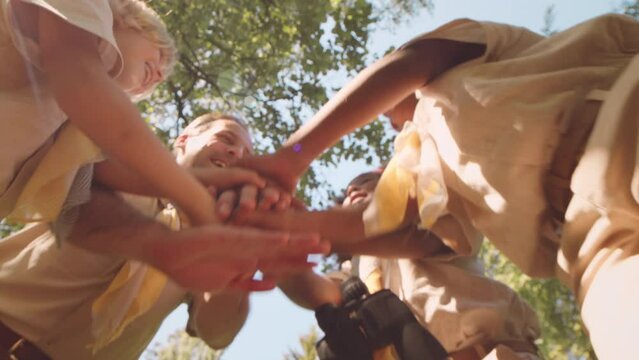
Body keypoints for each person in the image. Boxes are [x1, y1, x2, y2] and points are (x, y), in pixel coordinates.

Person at [238, 14, 639, 358]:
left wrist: (290, 158)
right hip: (594, 243)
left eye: (366, 182)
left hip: (620, 124)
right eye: (349, 192)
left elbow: (409, 64)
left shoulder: (465, 58)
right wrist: (273, 227)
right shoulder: (423, 163)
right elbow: (383, 222)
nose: (387, 120)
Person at [0, 113, 327, 360]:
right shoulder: (119, 163)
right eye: (227, 139)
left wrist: (240, 265)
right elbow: (75, 195)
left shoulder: (211, 240)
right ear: (184, 139)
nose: (236, 154)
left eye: (245, 152)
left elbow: (217, 333)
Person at [0, 0, 219, 227]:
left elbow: (98, 176)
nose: (158, 77)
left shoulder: (78, 121)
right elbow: (84, 80)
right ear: (130, 22)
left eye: (160, 78)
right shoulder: (90, 6)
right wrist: (198, 201)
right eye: (159, 57)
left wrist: (211, 182)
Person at [336, 170, 540, 360]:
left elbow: (432, 242)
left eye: (364, 181)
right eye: (347, 194)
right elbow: (319, 292)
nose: (352, 190)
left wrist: (334, 230)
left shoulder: (428, 208)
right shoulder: (354, 270)